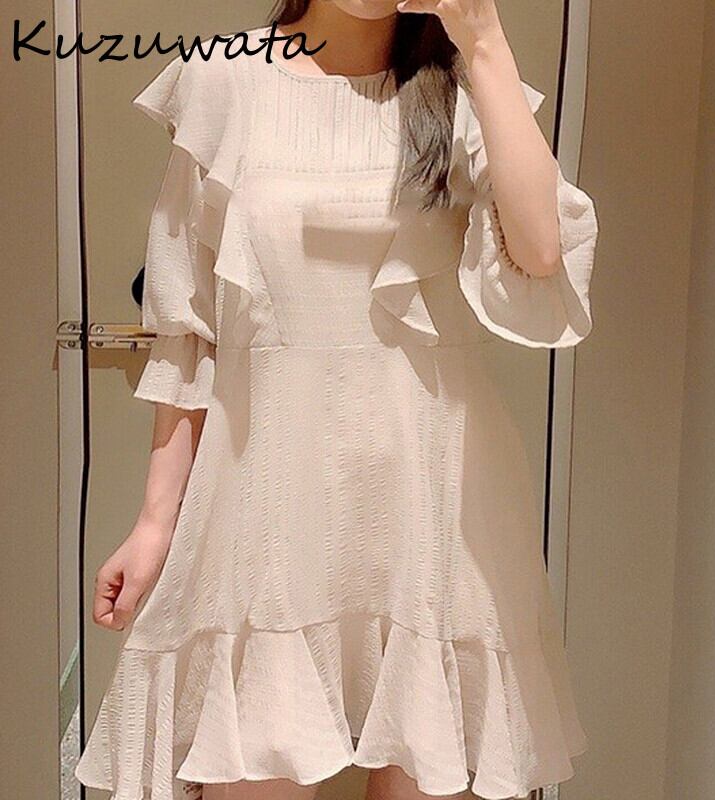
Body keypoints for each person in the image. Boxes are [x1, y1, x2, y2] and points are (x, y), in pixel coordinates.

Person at [75, 0, 599, 798]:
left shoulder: (464, 85)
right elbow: (187, 325)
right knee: (255, 767)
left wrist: (486, 42)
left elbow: (539, 252)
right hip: (266, 505)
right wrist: (155, 522)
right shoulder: (223, 79)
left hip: (436, 509)